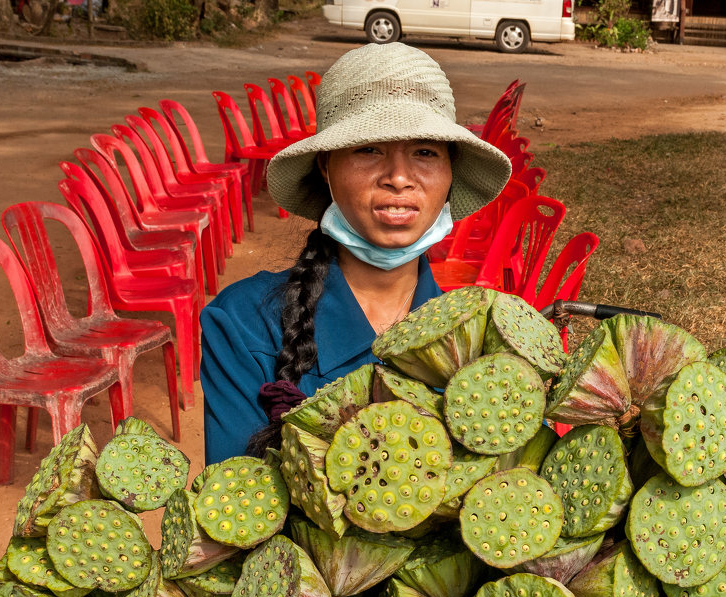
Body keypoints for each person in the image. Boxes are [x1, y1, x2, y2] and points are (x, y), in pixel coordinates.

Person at [200, 43, 512, 464]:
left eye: (425, 151)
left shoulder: (488, 340)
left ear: (450, 171)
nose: (399, 177)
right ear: (326, 167)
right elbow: (236, 504)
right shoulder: (244, 323)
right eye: (369, 149)